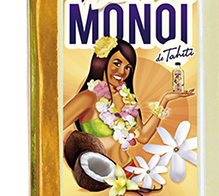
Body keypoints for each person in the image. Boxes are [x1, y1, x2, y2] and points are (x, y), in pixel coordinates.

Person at [63, 36, 194, 168]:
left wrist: (165, 100)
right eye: (117, 63)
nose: (122, 72)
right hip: (103, 173)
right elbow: (53, 127)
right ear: (103, 61)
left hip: (130, 168)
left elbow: (143, 136)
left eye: (128, 67)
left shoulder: (126, 99)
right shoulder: (88, 97)